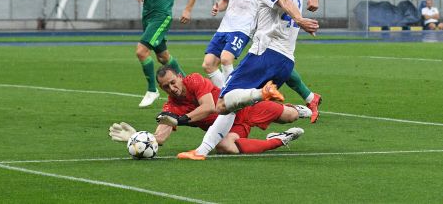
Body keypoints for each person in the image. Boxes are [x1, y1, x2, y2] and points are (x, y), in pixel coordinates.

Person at [178, 0, 319, 160]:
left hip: (264, 55)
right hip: (286, 61)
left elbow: (284, 2)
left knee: (224, 103)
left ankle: (260, 94)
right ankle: (200, 152)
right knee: (231, 108)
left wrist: (299, 19)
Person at [109, 66, 311, 157]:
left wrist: (180, 120)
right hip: (229, 128)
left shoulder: (194, 80)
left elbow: (209, 107)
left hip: (245, 109)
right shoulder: (170, 107)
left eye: (172, 82)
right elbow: (160, 138)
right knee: (224, 147)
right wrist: (136, 138)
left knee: (290, 116)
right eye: (166, 87)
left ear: (180, 77)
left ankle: (295, 109)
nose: (171, 88)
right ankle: (279, 140)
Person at [130, 0, 198, 108]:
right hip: (147, 16)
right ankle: (190, 86)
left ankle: (152, 89)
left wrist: (188, 9)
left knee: (141, 51)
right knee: (163, 57)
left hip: (162, 17)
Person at [202, 0, 258, 88]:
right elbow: (225, 1)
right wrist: (217, 7)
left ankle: (228, 100)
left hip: (243, 28)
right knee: (208, 64)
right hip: (225, 27)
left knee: (226, 59)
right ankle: (228, 95)